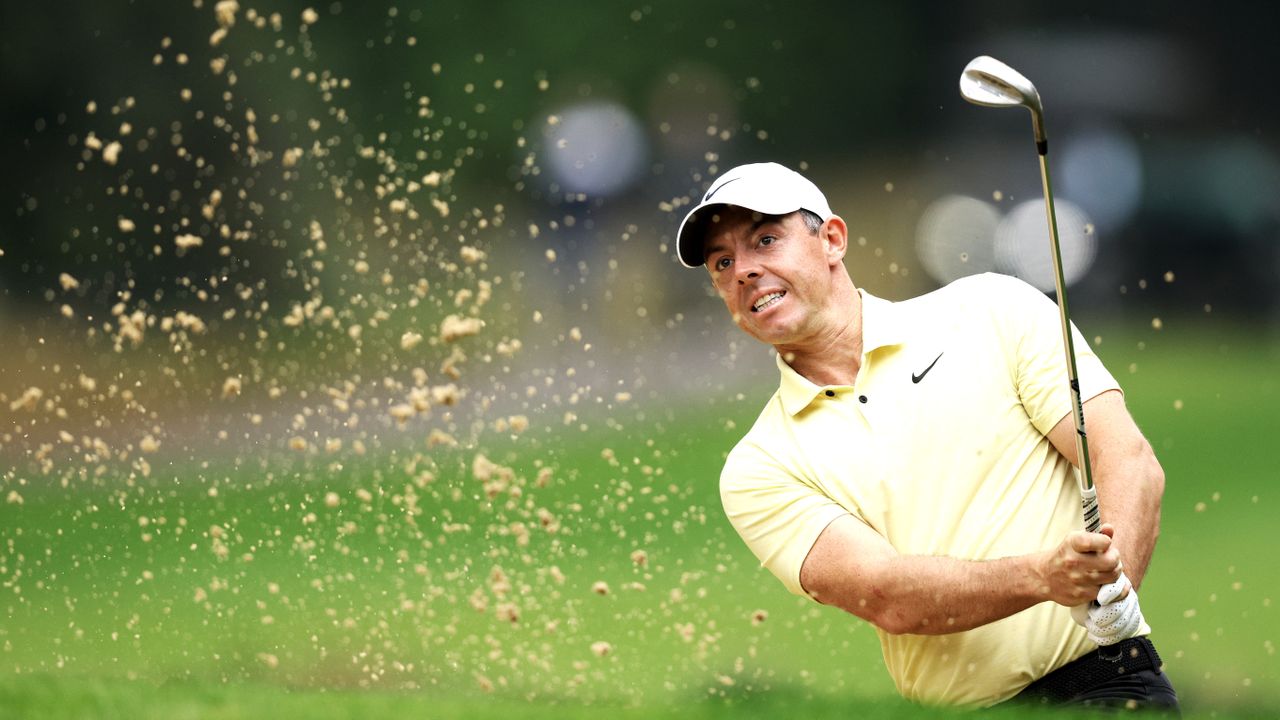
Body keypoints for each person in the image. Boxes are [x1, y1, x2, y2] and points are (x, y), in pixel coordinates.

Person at [672, 162, 1179, 711]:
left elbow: (1126, 459)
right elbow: (889, 596)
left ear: (832, 240)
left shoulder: (991, 309)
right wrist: (1045, 577)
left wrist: (1112, 585)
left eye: (765, 240)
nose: (744, 270)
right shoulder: (760, 466)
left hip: (1106, 685)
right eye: (723, 263)